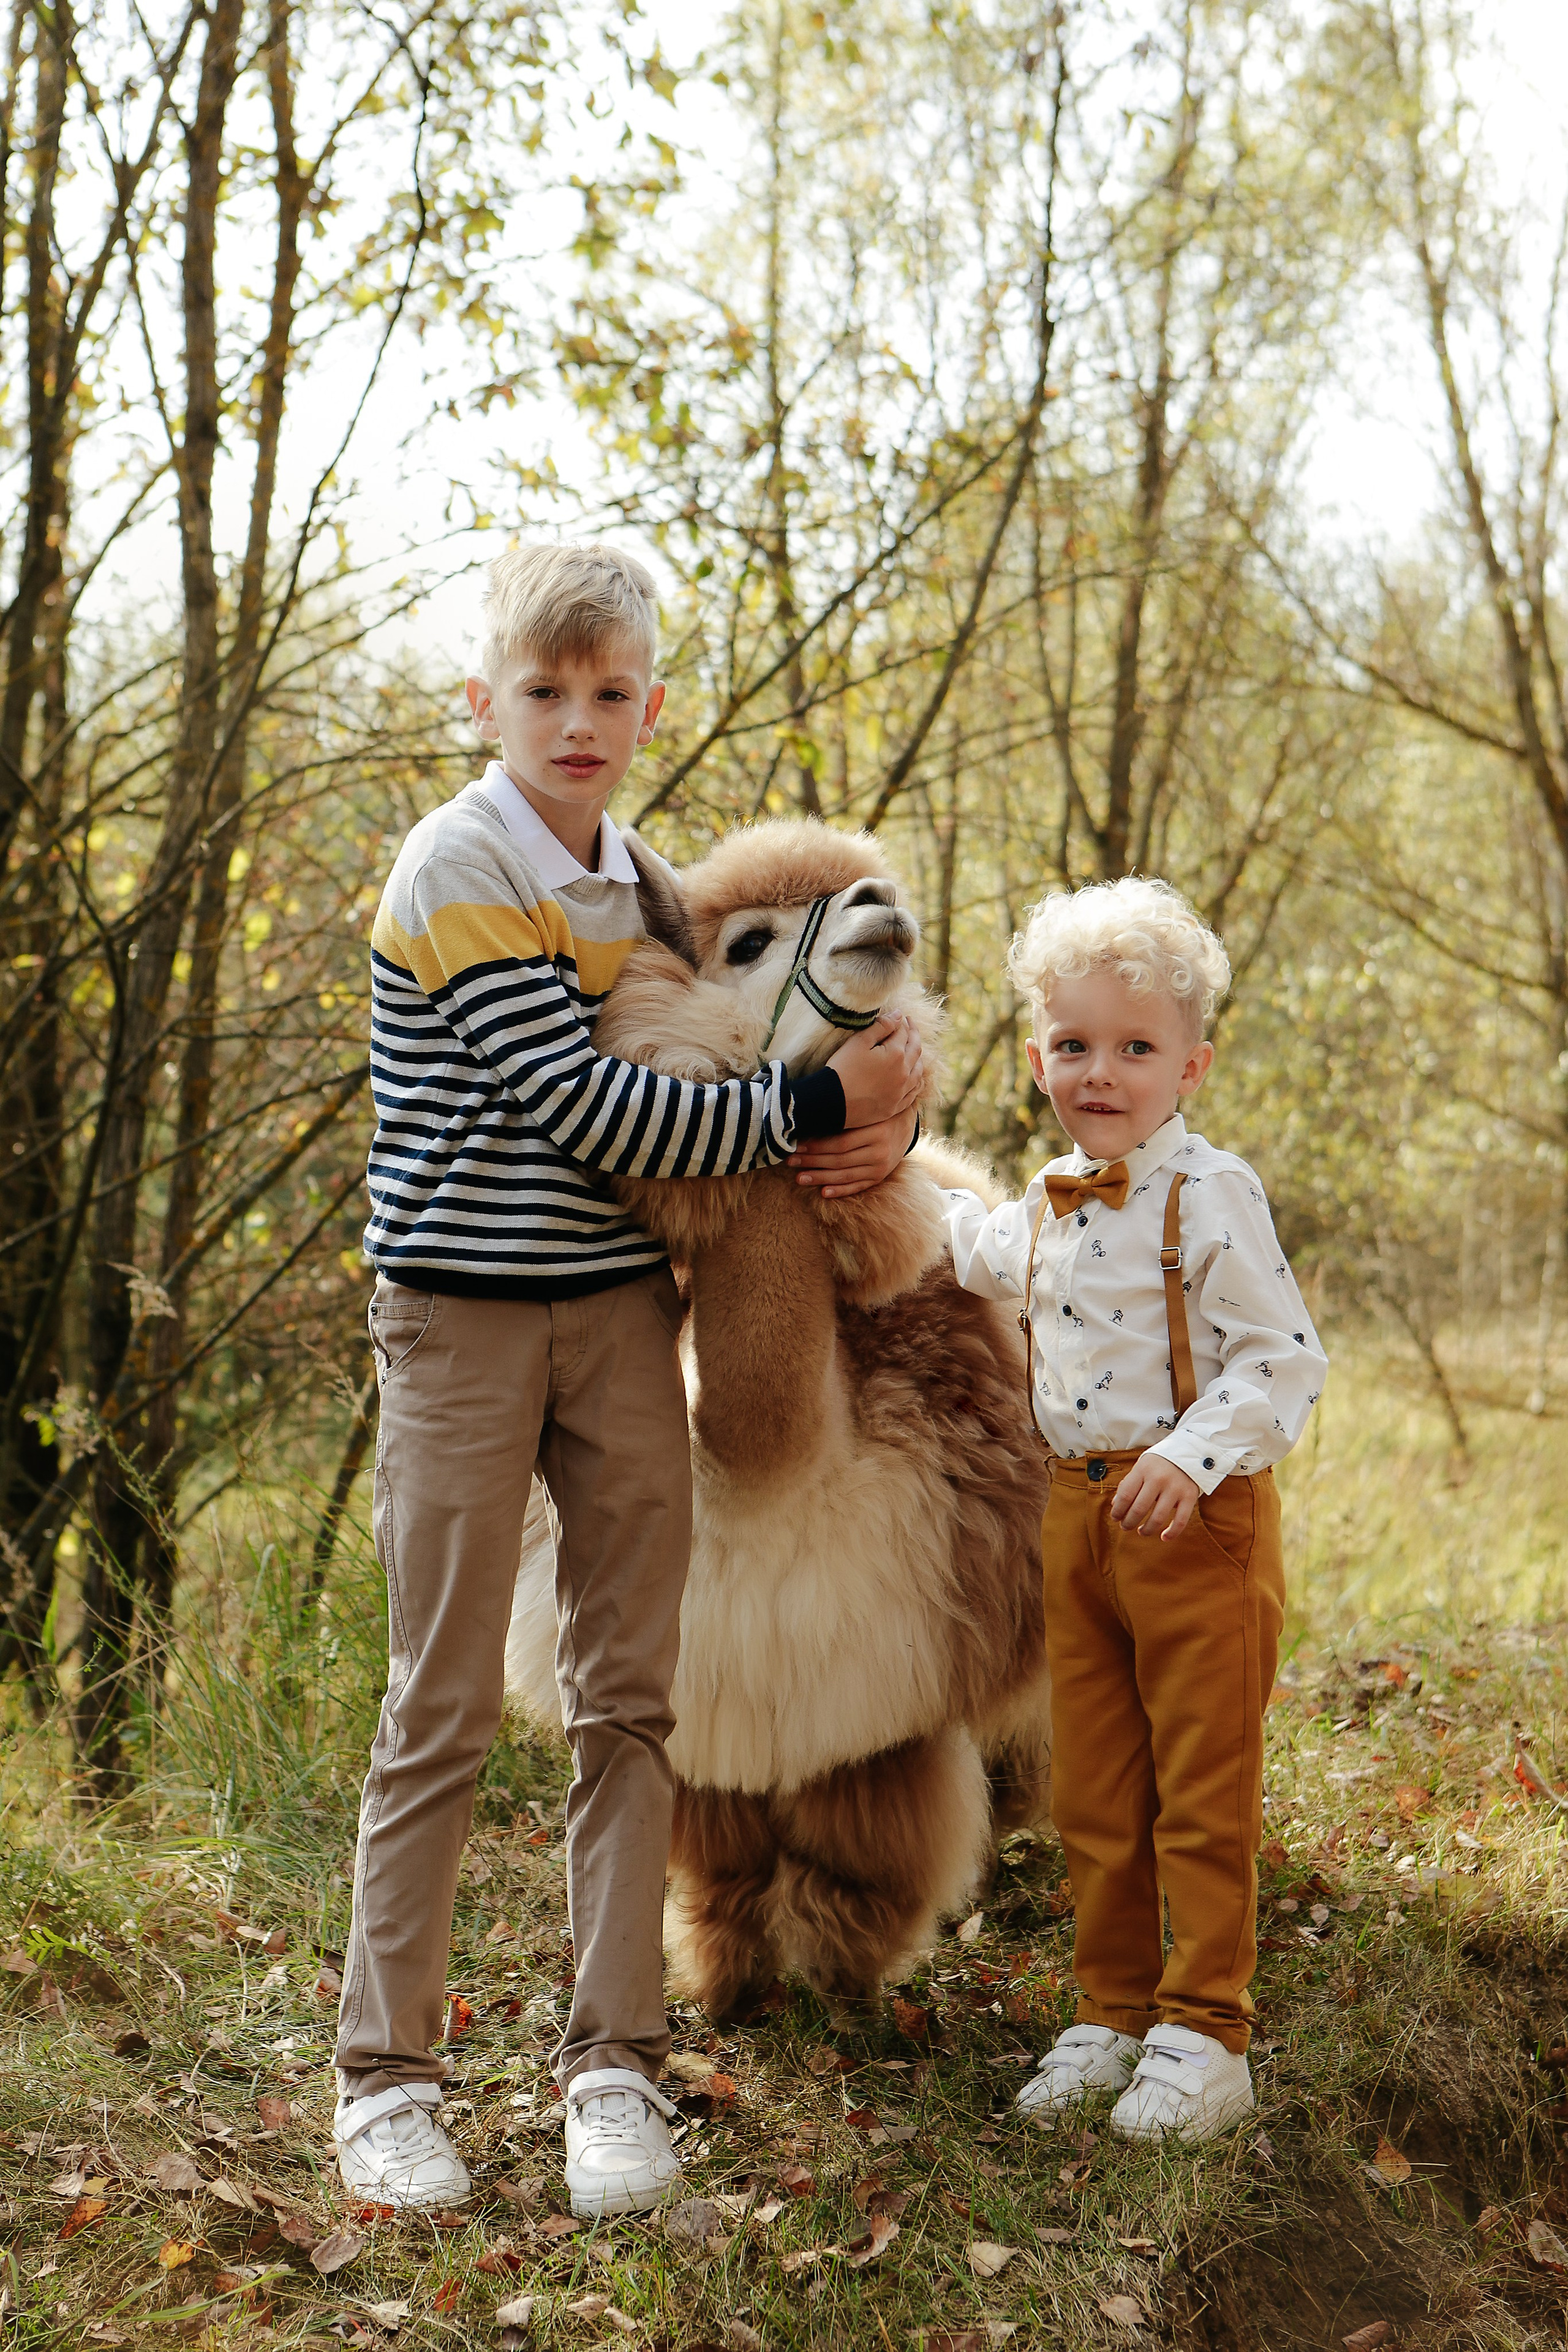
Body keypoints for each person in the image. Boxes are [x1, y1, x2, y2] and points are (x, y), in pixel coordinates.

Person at [333, 542, 923, 2217]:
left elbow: (770, 1027)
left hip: (613, 1317)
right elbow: (604, 1113)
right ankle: (385, 2078)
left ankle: (613, 2064)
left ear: (649, 705)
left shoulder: (646, 882)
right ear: (488, 702)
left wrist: (886, 1106)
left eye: (609, 694)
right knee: (441, 1700)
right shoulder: (460, 865)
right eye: (543, 693)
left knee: (630, 1700)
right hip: (461, 1320)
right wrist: (808, 1120)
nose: (577, 722)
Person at [935, 876, 1325, 2141]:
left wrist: (1196, 1453)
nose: (1099, 1072)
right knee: (1095, 1784)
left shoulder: (1208, 1194)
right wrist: (870, 1166)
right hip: (1072, 1519)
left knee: (1198, 1779)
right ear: (1039, 1054)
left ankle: (1204, 2030)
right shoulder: (1047, 1201)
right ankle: (1107, 2013)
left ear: (1189, 1063)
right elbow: (966, 1249)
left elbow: (1281, 1361)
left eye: (1134, 1047)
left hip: (1191, 1524)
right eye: (1072, 1045)